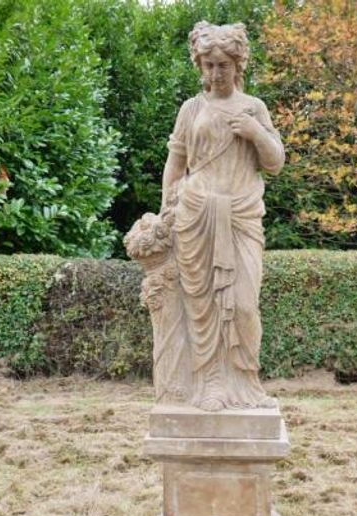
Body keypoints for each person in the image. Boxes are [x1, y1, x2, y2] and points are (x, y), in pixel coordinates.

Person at [126, 21, 285, 411]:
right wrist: (167, 209)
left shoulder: (254, 108)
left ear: (237, 64)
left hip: (241, 215)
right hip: (196, 216)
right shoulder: (191, 109)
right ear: (200, 65)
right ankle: (210, 382)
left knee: (244, 304)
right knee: (202, 306)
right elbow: (175, 162)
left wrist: (255, 133)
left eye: (223, 65)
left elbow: (275, 162)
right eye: (209, 65)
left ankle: (246, 385)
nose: (216, 73)